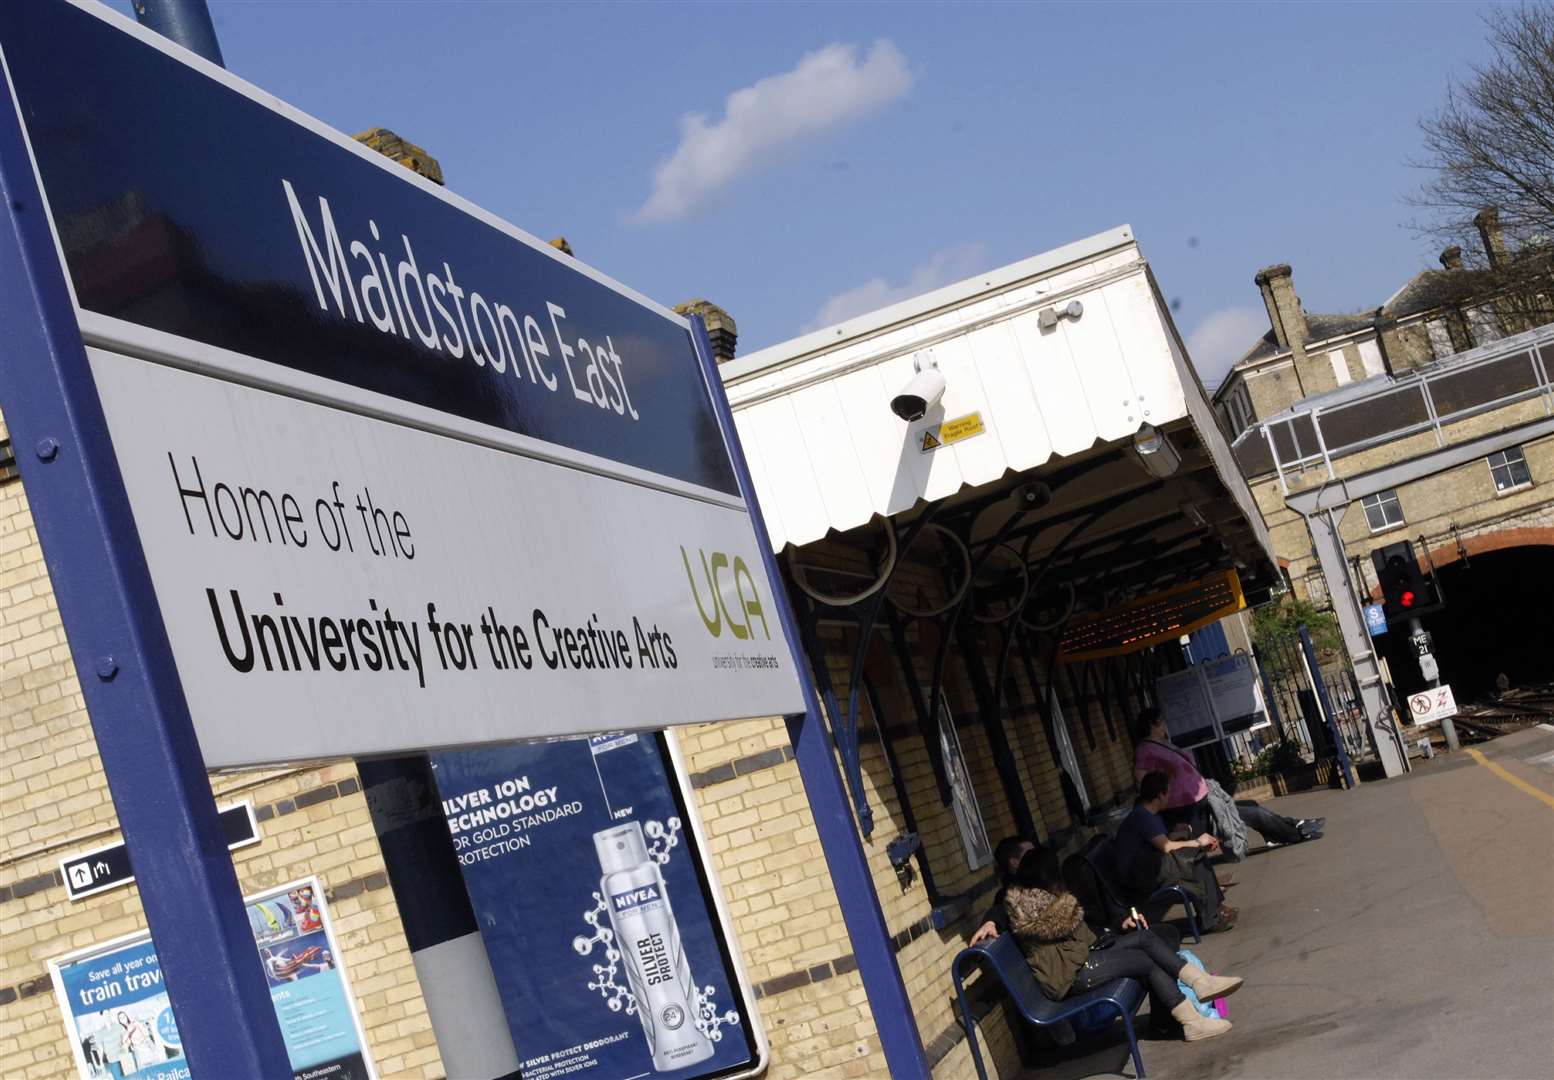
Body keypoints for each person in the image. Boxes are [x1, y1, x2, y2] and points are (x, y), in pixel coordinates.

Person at [1005, 848, 1240, 1042]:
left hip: (1085, 955)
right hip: (1072, 975)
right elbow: (1002, 912)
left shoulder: (1045, 898)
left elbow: (1085, 931)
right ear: (1050, 875)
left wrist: (1120, 922)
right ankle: (1192, 1017)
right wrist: (989, 923)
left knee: (1147, 938)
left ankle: (1200, 987)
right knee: (1148, 961)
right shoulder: (1031, 907)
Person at [1116, 771, 1237, 932]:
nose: (1170, 797)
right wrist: (1197, 842)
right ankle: (1211, 918)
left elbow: (1162, 837)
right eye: (1168, 793)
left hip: (1148, 867)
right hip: (1142, 878)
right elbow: (1165, 846)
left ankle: (1214, 908)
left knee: (1195, 855)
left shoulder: (1147, 813)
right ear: (1160, 795)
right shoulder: (1143, 817)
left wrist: (1186, 831)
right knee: (1196, 861)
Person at [1132, 708, 1212, 837]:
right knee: (1196, 843)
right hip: (1180, 805)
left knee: (1204, 838)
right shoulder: (1145, 750)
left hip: (1196, 799)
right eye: (1161, 722)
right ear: (1151, 725)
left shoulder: (1163, 743)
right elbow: (1141, 782)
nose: (1164, 725)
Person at [969, 836, 1037, 945]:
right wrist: (991, 921)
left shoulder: (1037, 880)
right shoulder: (1009, 894)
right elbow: (1003, 909)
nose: (1038, 857)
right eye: (1031, 854)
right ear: (1014, 862)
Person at [1235, 799, 1324, 847]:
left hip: (1224, 808)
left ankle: (1273, 837)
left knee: (1251, 803)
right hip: (1223, 813)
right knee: (1257, 813)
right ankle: (1296, 834)